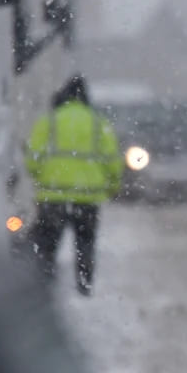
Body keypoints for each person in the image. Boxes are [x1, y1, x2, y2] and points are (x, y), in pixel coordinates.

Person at [23, 74, 122, 294]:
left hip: (53, 197)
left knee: (47, 244)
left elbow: (33, 159)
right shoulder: (98, 124)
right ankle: (84, 285)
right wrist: (112, 186)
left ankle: (43, 283)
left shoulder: (49, 122)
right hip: (87, 198)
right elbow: (112, 161)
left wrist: (41, 178)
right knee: (85, 244)